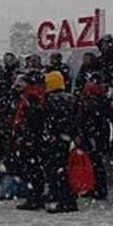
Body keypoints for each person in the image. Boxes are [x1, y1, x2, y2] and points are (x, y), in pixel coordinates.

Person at [41, 71, 78, 213]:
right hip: (65, 138)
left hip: (56, 139)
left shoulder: (51, 99)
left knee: (56, 170)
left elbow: (51, 121)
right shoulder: (70, 98)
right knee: (62, 170)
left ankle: (63, 200)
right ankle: (66, 199)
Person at [15, 71, 48, 211]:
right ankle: (36, 196)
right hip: (37, 137)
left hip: (32, 138)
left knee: (32, 169)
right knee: (36, 169)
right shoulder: (40, 95)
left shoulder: (32, 97)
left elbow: (32, 119)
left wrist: (25, 133)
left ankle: (34, 198)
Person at [75, 74, 111, 200]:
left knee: (95, 163)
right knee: (94, 162)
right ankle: (96, 187)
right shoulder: (98, 99)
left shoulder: (92, 101)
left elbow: (92, 118)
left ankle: (98, 188)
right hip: (94, 134)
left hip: (92, 135)